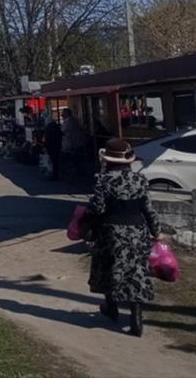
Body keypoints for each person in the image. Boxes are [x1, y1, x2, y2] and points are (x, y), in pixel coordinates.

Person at [85, 138, 161, 337]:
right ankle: (136, 316)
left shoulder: (103, 180)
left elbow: (98, 208)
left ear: (108, 160)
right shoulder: (140, 180)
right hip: (137, 230)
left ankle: (112, 307)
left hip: (111, 231)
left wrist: (88, 222)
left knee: (109, 267)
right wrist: (156, 232)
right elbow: (148, 209)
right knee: (136, 270)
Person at [44, 112, 63, 180]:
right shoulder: (56, 126)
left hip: (51, 146)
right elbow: (60, 135)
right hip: (57, 145)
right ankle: (56, 174)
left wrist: (45, 146)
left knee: (53, 161)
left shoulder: (48, 128)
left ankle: (54, 175)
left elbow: (47, 138)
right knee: (56, 161)